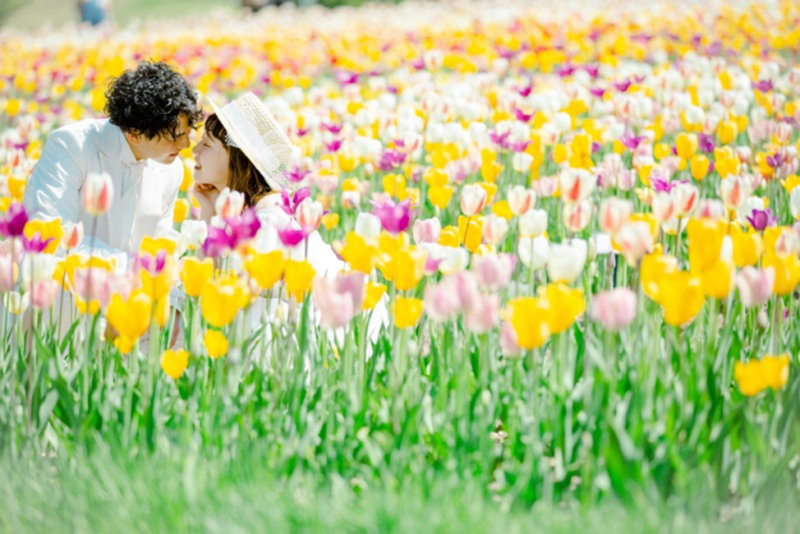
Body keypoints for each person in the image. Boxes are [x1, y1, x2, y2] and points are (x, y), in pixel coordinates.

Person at [190, 92, 386, 346]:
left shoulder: (268, 222)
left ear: (237, 159)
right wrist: (209, 213)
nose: (193, 150)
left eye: (205, 145)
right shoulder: (258, 213)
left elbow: (221, 289)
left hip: (325, 339)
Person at [24, 60, 202, 270]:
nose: (186, 144)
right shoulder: (71, 147)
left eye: (186, 133)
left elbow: (159, 251)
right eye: (176, 136)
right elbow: (51, 241)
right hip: (67, 295)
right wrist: (132, 266)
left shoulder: (171, 168)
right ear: (134, 133)